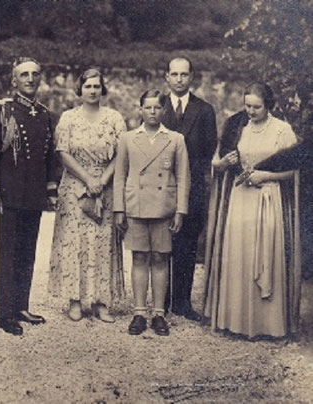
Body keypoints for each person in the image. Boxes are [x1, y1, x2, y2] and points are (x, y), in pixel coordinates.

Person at [203, 82, 300, 339]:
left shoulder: (282, 130)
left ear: (269, 105)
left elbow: (296, 171)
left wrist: (266, 175)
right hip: (240, 199)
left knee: (266, 254)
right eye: (247, 105)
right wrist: (224, 162)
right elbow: (216, 162)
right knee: (239, 256)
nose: (251, 111)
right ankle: (237, 322)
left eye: (257, 107)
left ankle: (267, 325)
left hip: (268, 199)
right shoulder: (237, 127)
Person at [0, 57, 58, 335]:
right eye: (24, 75)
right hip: (10, 193)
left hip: (34, 194)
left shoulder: (45, 114)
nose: (30, 79)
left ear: (40, 79)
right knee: (9, 253)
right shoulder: (2, 111)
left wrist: (51, 189)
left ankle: (21, 306)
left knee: (28, 251)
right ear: (14, 80)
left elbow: (50, 156)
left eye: (34, 74)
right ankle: (4, 314)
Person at [48, 68, 126, 323]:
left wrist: (101, 181)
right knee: (74, 242)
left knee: (104, 241)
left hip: (105, 185)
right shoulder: (69, 118)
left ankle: (103, 301)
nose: (92, 91)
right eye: (88, 86)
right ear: (79, 90)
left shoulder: (114, 118)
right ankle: (75, 300)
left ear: (102, 89)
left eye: (96, 86)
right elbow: (63, 152)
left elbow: (120, 154)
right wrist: (87, 179)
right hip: (75, 185)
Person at [114, 89, 190, 336]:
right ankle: (138, 313)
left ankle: (158, 314)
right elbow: (119, 176)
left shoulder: (175, 139)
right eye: (147, 108)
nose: (152, 112)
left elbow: (182, 177)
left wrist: (180, 210)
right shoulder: (127, 138)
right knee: (138, 258)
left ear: (164, 110)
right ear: (140, 110)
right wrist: (119, 209)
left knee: (160, 258)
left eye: (157, 108)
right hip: (136, 205)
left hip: (163, 207)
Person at [161, 57, 217, 321]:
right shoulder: (156, 107)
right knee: (161, 241)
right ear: (167, 77)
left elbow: (207, 153)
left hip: (192, 184)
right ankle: (160, 299)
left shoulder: (205, 111)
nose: (179, 79)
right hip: (160, 185)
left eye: (184, 74)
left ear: (192, 77)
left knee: (186, 243)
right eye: (175, 74)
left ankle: (182, 301)